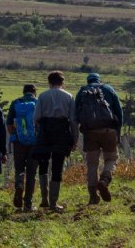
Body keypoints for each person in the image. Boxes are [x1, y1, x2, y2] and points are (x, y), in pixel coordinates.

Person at [32, 71, 78, 212]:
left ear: (49, 82)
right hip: (62, 132)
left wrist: (40, 132)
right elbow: (73, 121)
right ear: (62, 82)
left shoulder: (42, 96)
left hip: (45, 131)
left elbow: (36, 118)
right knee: (57, 166)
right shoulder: (69, 97)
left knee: (43, 164)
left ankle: (44, 198)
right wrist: (74, 139)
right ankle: (53, 202)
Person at [75, 73, 123, 205]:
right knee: (111, 158)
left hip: (89, 132)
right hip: (109, 130)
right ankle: (104, 180)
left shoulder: (82, 92)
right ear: (99, 80)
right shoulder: (108, 89)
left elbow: (76, 114)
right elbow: (119, 111)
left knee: (92, 164)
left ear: (88, 81)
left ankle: (93, 196)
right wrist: (118, 131)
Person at [6, 84, 39, 211]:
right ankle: (28, 204)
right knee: (31, 173)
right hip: (35, 143)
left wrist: (15, 135)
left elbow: (9, 123)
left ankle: (19, 185)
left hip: (19, 142)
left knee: (19, 168)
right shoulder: (37, 102)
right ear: (34, 92)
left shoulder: (16, 102)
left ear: (23, 92)